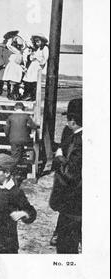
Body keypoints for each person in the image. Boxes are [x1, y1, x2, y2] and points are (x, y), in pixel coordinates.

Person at [0, 154, 37, 254]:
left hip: (7, 244)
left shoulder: (15, 192)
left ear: (7, 173)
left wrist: (23, 214)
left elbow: (31, 212)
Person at [49, 99, 82, 254]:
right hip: (74, 200)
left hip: (73, 198)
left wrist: (60, 157)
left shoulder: (78, 140)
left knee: (67, 245)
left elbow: (71, 172)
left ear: (73, 121)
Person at [21, 34, 49, 101]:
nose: (37, 43)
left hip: (37, 65)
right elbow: (31, 58)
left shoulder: (45, 48)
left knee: (34, 81)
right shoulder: (37, 49)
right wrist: (31, 56)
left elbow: (45, 58)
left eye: (38, 41)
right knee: (27, 80)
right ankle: (27, 94)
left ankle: (33, 96)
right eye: (35, 41)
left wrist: (39, 61)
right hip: (32, 65)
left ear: (42, 41)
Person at [2, 36, 26, 100]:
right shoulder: (19, 52)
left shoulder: (17, 52)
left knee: (14, 82)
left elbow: (9, 46)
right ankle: (12, 94)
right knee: (12, 82)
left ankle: (13, 95)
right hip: (13, 68)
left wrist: (10, 39)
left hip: (15, 68)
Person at [0, 31, 18, 97]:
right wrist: (1, 64)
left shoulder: (12, 46)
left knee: (9, 80)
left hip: (10, 65)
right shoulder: (2, 47)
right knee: (1, 79)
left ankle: (9, 93)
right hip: (4, 65)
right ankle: (0, 92)